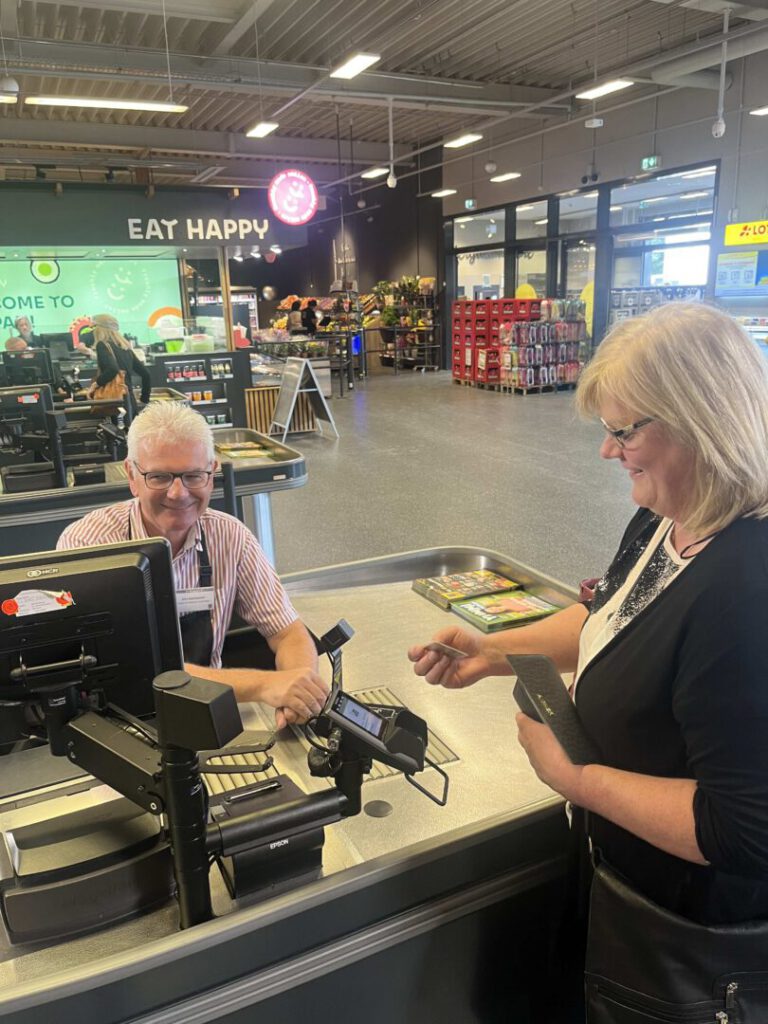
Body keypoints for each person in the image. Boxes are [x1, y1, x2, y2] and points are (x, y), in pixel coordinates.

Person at [409, 302, 768, 1017]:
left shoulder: (746, 591)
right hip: (622, 876)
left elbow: (742, 829)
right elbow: (608, 616)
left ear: (698, 423)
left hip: (688, 938)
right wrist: (493, 650)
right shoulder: (667, 515)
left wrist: (578, 779)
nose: (608, 451)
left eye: (622, 430)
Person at [57, 400, 328, 729]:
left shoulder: (231, 538)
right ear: (131, 474)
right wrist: (265, 685)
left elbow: (289, 634)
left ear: (212, 472)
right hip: (117, 727)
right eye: (158, 476)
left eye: (193, 475)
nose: (177, 492)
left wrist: (301, 687)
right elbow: (139, 666)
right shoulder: (88, 544)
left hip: (208, 719)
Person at [83, 313, 151, 412]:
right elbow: (146, 374)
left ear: (100, 328)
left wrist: (95, 384)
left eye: (94, 327)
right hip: (129, 401)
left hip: (113, 401)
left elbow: (112, 369)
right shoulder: (125, 347)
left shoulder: (102, 345)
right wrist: (144, 399)